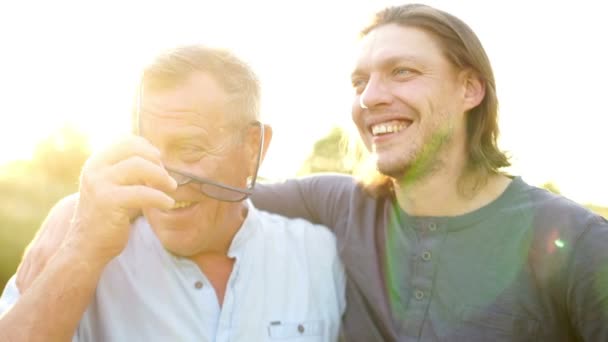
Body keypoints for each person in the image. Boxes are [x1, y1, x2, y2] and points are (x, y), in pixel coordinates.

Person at [6, 3, 608, 341]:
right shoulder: (337, 206)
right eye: (360, 80)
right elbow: (213, 187)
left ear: (471, 87)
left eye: (402, 72)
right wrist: (76, 215)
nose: (372, 96)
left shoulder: (575, 241)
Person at [0, 45, 345, 341]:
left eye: (190, 148)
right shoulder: (78, 250)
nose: (163, 179)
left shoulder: (321, 256)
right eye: (149, 147)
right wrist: (82, 248)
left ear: (253, 147)